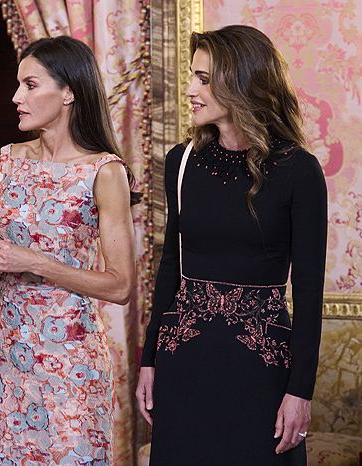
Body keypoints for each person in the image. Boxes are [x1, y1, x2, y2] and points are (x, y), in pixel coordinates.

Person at [136, 25, 327, 465]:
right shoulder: (181, 162)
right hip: (184, 361)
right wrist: (149, 360)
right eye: (191, 76)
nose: (190, 89)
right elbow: (170, 265)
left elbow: (310, 291)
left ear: (240, 81)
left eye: (203, 79)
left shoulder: (299, 171)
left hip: (260, 369)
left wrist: (300, 390)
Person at [0, 36, 139, 465]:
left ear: (68, 92)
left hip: (71, 358)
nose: (16, 97)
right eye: (18, 85)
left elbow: (120, 286)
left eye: (29, 85)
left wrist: (33, 262)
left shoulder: (103, 171)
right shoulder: (8, 160)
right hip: (10, 354)